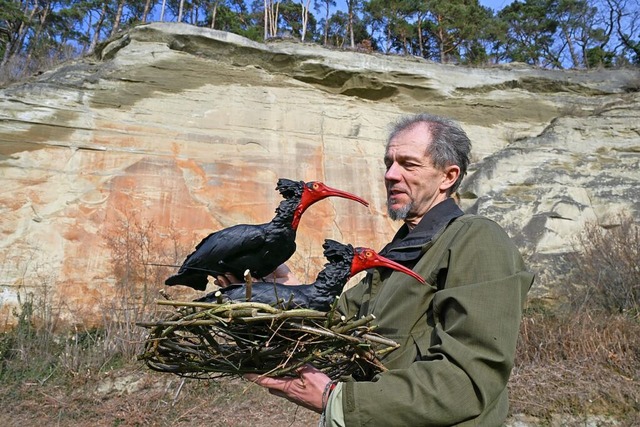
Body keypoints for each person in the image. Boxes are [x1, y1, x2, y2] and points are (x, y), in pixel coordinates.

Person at [218, 113, 534, 426]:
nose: (391, 175)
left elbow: (468, 380)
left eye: (408, 164)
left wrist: (336, 400)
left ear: (448, 177)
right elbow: (337, 327)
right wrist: (282, 290)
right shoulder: (396, 257)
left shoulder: (476, 239)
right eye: (388, 163)